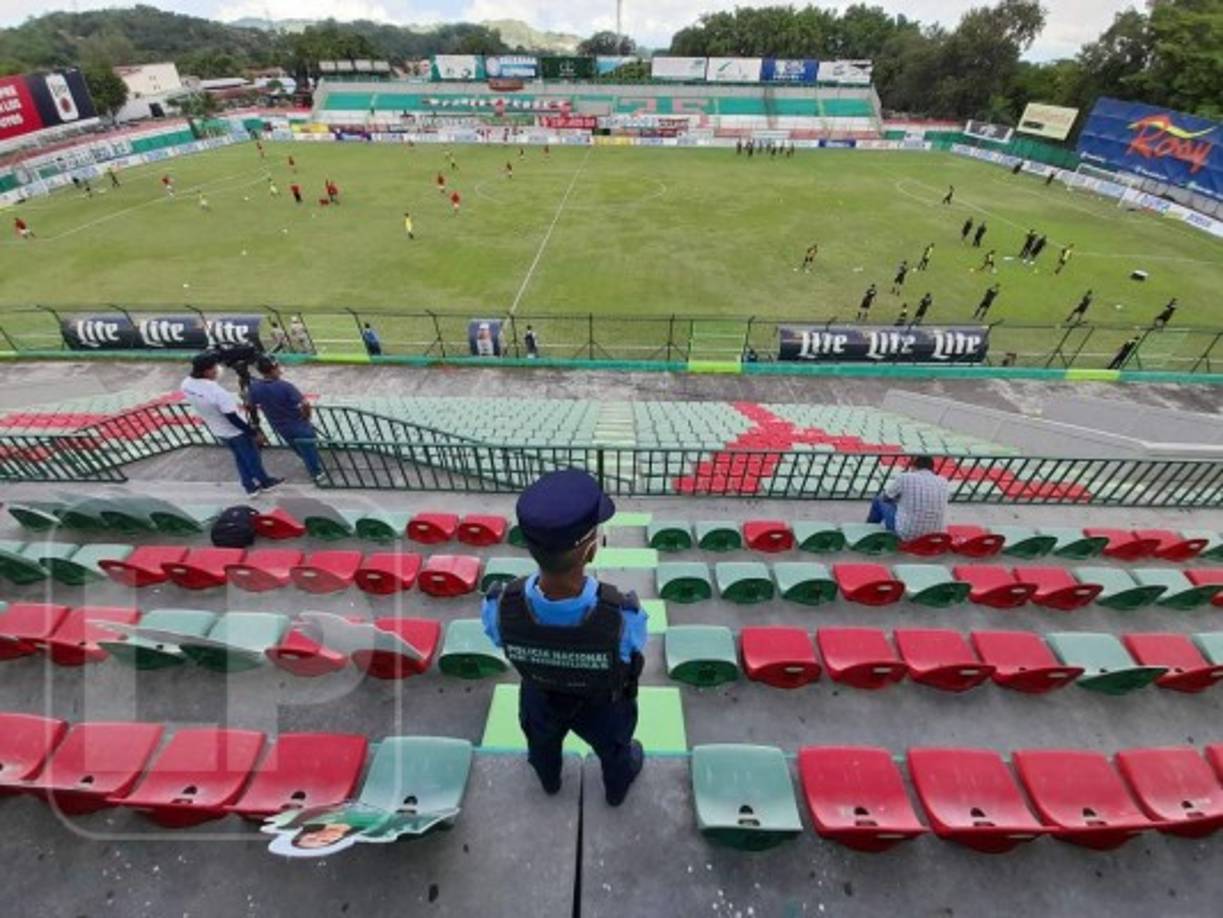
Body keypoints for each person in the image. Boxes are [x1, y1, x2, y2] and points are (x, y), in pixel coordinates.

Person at [481, 470, 647, 806]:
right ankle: (616, 791)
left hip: (540, 697)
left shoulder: (498, 606)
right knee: (615, 752)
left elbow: (499, 639)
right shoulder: (623, 615)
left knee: (542, 747)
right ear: (591, 550)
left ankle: (550, 781)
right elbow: (631, 652)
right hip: (603, 705)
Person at [181, 352, 280, 496]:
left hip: (219, 430)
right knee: (252, 457)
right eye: (214, 367)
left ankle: (249, 486)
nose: (217, 370)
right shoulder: (217, 392)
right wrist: (253, 432)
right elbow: (232, 417)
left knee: (241, 457)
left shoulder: (186, 384)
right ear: (207, 371)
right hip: (236, 432)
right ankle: (264, 482)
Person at [248, 355, 324, 483]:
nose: (279, 370)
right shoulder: (285, 386)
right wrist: (306, 416)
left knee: (298, 447)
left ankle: (311, 465)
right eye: (277, 367)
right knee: (308, 448)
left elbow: (250, 405)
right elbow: (305, 404)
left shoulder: (255, 387)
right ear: (272, 369)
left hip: (280, 426)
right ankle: (316, 473)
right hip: (298, 424)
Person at [867, 455, 949, 541]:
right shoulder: (943, 481)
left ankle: (868, 530)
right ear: (932, 468)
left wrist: (898, 500)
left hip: (906, 535)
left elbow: (886, 498)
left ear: (913, 467)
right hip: (936, 536)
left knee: (878, 499)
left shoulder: (904, 477)